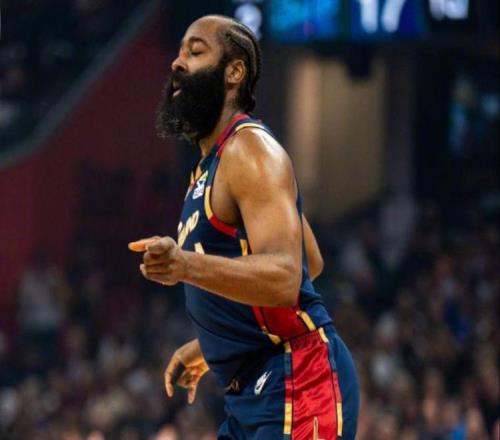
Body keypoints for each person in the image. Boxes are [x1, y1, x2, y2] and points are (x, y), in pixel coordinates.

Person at [129, 15, 359, 440]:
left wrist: (184, 266)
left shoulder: (250, 150)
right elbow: (310, 261)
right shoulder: (210, 167)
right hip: (252, 391)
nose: (177, 63)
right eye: (179, 51)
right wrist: (212, 345)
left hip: (298, 378)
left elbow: (287, 277)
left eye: (195, 51)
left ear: (234, 71)